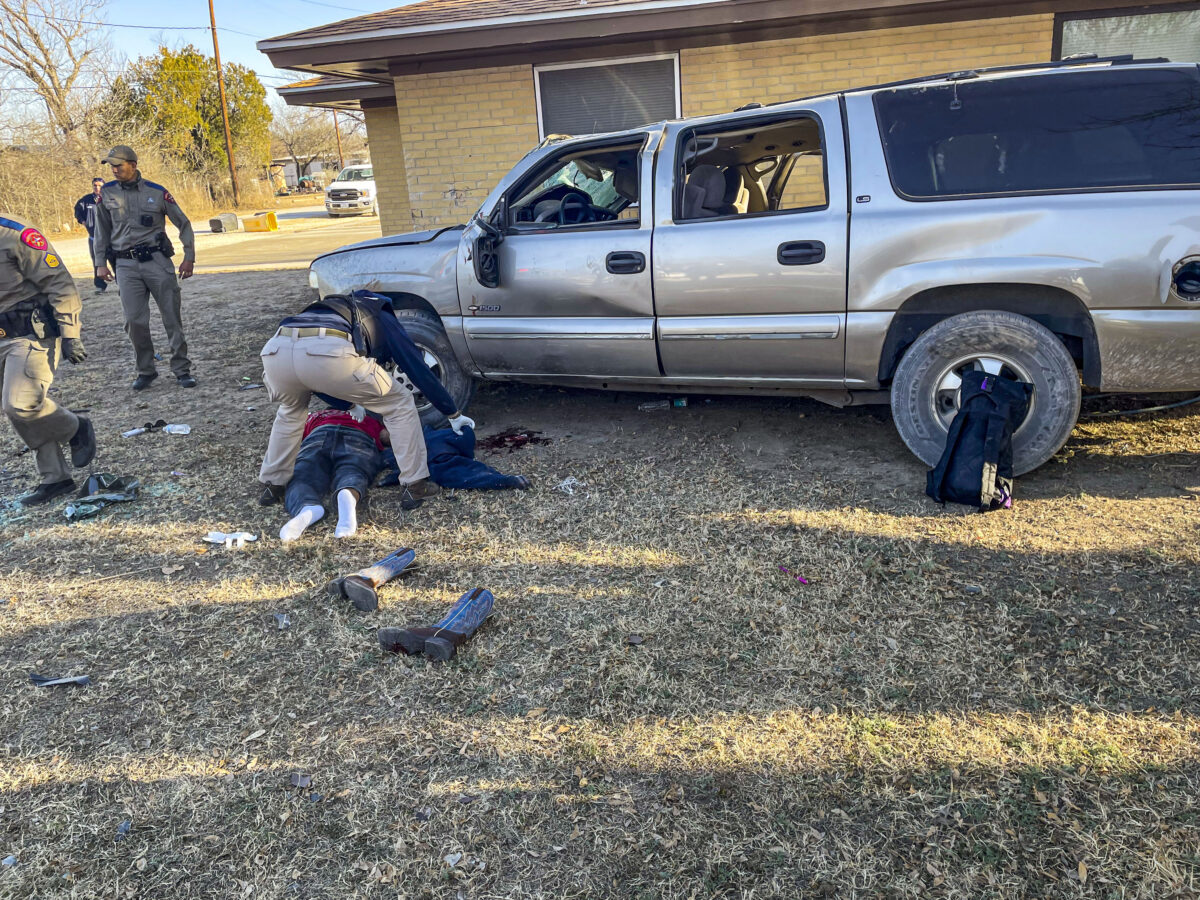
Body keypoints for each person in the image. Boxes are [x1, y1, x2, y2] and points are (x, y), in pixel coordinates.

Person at [257, 290, 473, 510]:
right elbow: (414, 365)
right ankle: (415, 484)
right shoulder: (380, 312)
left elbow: (312, 378)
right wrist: (451, 411)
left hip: (277, 351)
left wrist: (348, 404)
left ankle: (272, 484)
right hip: (328, 351)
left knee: (290, 412)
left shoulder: (327, 310)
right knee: (400, 403)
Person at [0, 213, 96, 505]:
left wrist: (70, 332)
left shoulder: (16, 234)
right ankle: (55, 478)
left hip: (27, 333)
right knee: (18, 409)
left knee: (20, 402)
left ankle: (76, 427)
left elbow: (58, 281)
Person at [92, 145, 197, 391]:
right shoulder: (106, 194)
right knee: (134, 321)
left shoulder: (157, 192)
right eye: (111, 166)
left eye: (119, 165)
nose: (115, 170)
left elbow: (184, 223)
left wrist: (189, 256)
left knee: (171, 317)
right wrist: (99, 264)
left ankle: (182, 370)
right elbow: (101, 231)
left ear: (133, 165)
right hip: (125, 265)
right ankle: (146, 371)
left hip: (157, 261)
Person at [279, 407, 388, 542]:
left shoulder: (317, 416)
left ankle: (307, 507)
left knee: (301, 476)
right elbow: (386, 437)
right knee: (354, 471)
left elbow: (293, 434)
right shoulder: (370, 419)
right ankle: (347, 492)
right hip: (359, 437)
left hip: (319, 434)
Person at [73, 177, 108, 294]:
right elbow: (77, 212)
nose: (97, 188)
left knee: (117, 261)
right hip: (94, 237)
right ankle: (100, 286)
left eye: (100, 185)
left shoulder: (110, 198)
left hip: (111, 236)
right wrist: (83, 221)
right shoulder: (85, 200)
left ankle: (121, 283)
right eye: (95, 185)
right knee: (97, 262)